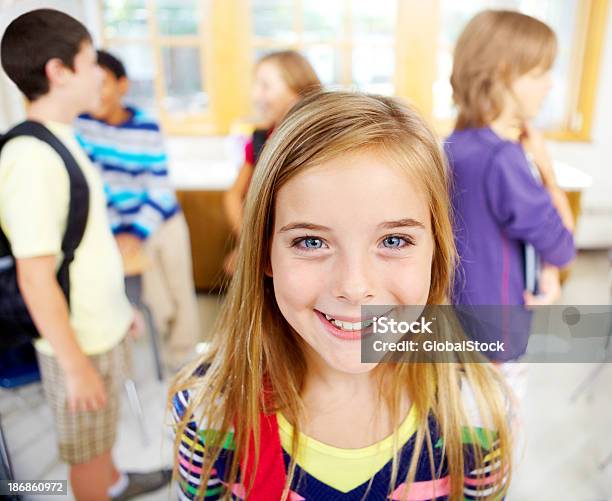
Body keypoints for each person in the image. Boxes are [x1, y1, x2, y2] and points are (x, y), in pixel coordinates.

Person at [170, 92, 513, 500]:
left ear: (436, 252)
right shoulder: (209, 411)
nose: (353, 286)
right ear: (265, 253)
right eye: (312, 241)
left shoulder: (476, 410)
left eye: (394, 239)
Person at [0, 10, 170, 500]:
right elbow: (36, 278)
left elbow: (86, 245)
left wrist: (121, 311)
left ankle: (113, 480)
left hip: (101, 326)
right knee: (85, 455)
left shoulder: (66, 137)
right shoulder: (30, 159)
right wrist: (74, 365)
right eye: (89, 60)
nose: (99, 72)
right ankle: (100, 487)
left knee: (100, 437)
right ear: (59, 72)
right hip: (77, 343)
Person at [445, 9, 576, 401]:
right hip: (495, 341)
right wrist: (547, 171)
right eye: (539, 74)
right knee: (496, 448)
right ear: (503, 73)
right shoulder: (503, 159)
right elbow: (563, 246)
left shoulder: (452, 146)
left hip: (454, 332)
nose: (550, 85)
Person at [74, 50, 200, 371]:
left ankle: (183, 359)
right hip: (120, 228)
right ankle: (161, 357)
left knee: (179, 292)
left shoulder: (147, 127)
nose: (96, 91)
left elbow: (159, 188)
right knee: (156, 299)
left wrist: (136, 232)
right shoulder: (81, 129)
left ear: (122, 85)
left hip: (162, 221)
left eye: (103, 83)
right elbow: (95, 189)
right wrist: (119, 231)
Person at [223, 50, 321, 274]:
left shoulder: (320, 141)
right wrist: (251, 244)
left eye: (265, 86)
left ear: (298, 90)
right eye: (256, 86)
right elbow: (232, 196)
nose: (256, 96)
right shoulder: (258, 139)